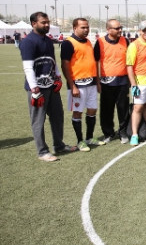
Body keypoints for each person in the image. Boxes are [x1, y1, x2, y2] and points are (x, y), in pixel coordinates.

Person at [19, 12, 77, 161]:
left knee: (57, 116)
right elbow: (28, 67)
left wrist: (57, 77)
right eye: (43, 22)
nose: (47, 25)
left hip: (52, 86)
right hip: (38, 89)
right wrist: (34, 89)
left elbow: (52, 61)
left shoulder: (48, 40)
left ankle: (59, 145)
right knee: (38, 120)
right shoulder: (28, 42)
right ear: (33, 23)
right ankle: (42, 152)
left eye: (47, 22)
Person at [61, 18, 105, 151]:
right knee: (78, 112)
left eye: (87, 27)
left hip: (91, 83)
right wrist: (72, 85)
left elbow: (91, 63)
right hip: (78, 84)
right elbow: (65, 65)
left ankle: (89, 137)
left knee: (92, 110)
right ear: (75, 28)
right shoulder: (68, 43)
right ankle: (80, 141)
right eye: (83, 27)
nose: (86, 30)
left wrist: (97, 82)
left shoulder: (88, 42)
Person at [94, 19, 130, 144]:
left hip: (123, 81)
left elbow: (130, 61)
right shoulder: (100, 42)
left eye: (120, 27)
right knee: (106, 110)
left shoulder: (126, 41)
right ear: (108, 30)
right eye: (117, 28)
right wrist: (98, 82)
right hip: (107, 83)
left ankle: (123, 132)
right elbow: (96, 62)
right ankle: (108, 133)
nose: (120, 30)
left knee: (123, 109)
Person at [126, 21, 146, 146]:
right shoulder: (134, 45)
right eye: (144, 30)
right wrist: (133, 84)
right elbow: (129, 66)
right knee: (138, 107)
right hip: (140, 81)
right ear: (139, 31)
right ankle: (134, 134)